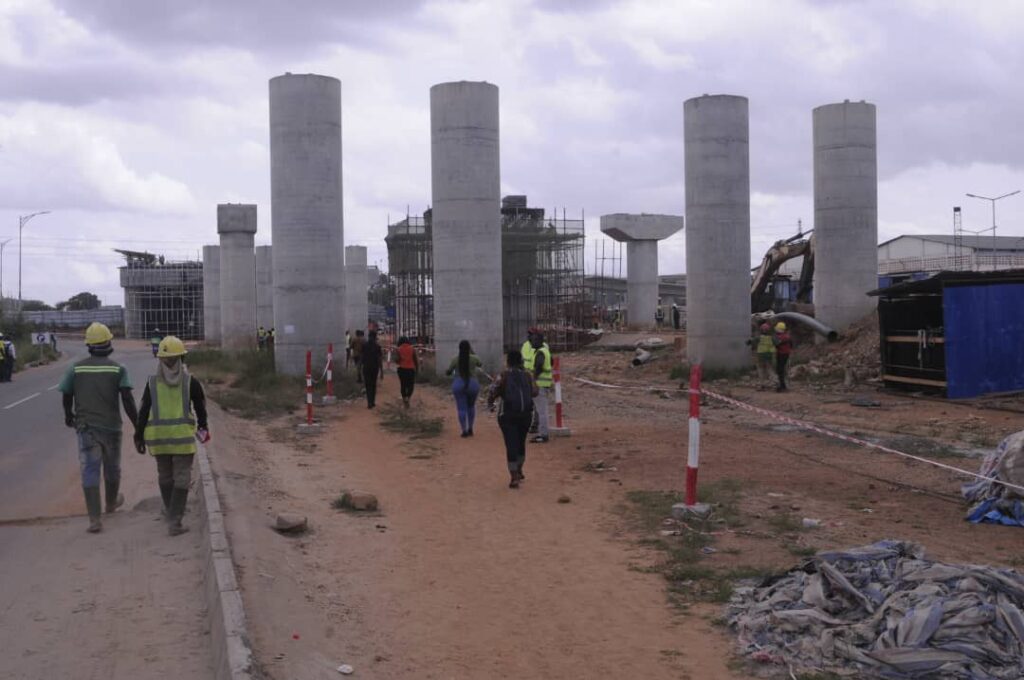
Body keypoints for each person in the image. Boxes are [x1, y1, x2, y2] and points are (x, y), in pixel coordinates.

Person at [58, 323, 138, 533]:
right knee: (112, 468)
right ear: (108, 343)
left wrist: (69, 416)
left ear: (89, 346)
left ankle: (94, 519)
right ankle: (110, 504)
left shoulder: (75, 368)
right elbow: (128, 400)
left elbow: (66, 394)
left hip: (86, 428)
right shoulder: (118, 368)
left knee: (90, 469)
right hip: (111, 428)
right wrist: (138, 426)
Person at [134, 336, 209, 536]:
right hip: (182, 441)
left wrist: (138, 436)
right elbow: (201, 411)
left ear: (160, 359)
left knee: (165, 477)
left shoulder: (151, 384)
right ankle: (175, 522)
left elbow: (143, 412)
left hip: (159, 440)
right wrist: (203, 429)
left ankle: (170, 511)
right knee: (182, 478)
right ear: (181, 359)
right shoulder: (190, 382)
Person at [488, 350, 538, 489]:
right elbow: (535, 392)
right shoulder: (528, 375)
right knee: (521, 443)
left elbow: (493, 390)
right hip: (526, 415)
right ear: (521, 361)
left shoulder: (503, 375)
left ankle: (514, 476)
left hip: (507, 415)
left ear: (508, 361)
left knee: (511, 444)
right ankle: (520, 468)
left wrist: (490, 403)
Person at [445, 340, 482, 437]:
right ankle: (470, 428)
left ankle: (464, 430)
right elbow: (480, 364)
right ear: (469, 348)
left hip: (459, 384)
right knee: (471, 406)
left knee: (461, 408)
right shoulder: (474, 358)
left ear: (459, 349)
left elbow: (449, 371)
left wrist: (448, 372)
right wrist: (472, 352)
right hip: (473, 384)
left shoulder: (455, 359)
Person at [526, 331, 553, 443]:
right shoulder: (545, 351)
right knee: (541, 410)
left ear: (538, 341)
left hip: (539, 385)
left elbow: (539, 368)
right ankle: (542, 433)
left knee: (542, 411)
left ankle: (543, 434)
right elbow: (551, 363)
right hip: (544, 384)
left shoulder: (540, 353)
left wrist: (533, 381)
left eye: (532, 340)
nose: (530, 342)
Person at [361, 330, 384, 409]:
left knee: (368, 385)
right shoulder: (377, 346)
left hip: (366, 367)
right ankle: (372, 401)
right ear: (375, 337)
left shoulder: (364, 345)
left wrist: (359, 368)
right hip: (374, 368)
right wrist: (381, 371)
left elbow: (362, 357)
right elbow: (379, 359)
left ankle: (369, 402)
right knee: (373, 384)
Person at [396, 336, 418, 407]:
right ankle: (408, 397)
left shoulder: (399, 349)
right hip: (411, 370)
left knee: (403, 385)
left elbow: (397, 360)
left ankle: (404, 398)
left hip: (402, 369)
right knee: (410, 385)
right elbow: (415, 360)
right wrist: (417, 369)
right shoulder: (412, 349)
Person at [773, 321, 793, 392]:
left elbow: (776, 344)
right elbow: (791, 344)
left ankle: (782, 386)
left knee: (780, 370)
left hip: (781, 354)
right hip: (786, 354)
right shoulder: (787, 336)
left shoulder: (781, 337)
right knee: (783, 369)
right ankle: (784, 385)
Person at [754, 323, 776, 388]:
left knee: (761, 370)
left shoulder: (758, 338)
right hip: (769, 355)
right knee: (770, 369)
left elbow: (752, 343)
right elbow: (777, 343)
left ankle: (762, 384)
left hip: (761, 355)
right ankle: (775, 382)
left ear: (761, 330)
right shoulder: (772, 338)